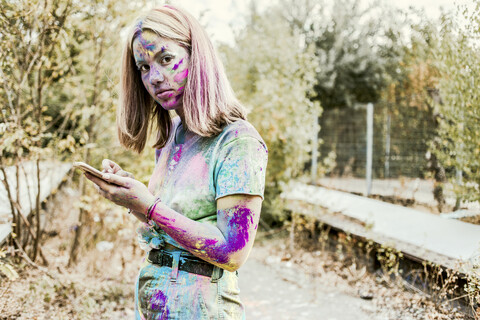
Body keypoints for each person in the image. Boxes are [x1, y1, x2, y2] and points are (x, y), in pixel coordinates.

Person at [83, 4, 268, 320]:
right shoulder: (173, 136)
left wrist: (150, 206)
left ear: (197, 58)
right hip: (158, 303)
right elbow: (170, 228)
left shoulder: (238, 141)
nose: (154, 77)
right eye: (143, 67)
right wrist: (132, 198)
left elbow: (233, 252)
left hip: (202, 308)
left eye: (166, 59)